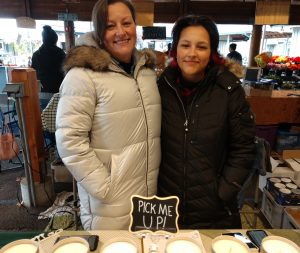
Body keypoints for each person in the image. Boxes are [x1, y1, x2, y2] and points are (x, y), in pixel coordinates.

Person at [55, 0, 161, 230]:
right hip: (108, 202)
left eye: (127, 23)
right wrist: (104, 186)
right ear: (99, 31)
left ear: (135, 25)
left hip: (147, 194)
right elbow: (69, 141)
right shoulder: (83, 76)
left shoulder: (146, 72)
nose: (121, 32)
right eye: (110, 25)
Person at [157, 15, 256, 229]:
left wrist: (224, 191)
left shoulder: (229, 90)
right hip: (166, 208)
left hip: (214, 211)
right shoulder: (160, 88)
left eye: (201, 47)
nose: (192, 53)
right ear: (175, 50)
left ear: (211, 52)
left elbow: (244, 148)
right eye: (185, 45)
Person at [31, 25, 66, 109]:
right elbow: (66, 73)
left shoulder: (36, 54)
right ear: (55, 40)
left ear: (43, 39)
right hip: (58, 92)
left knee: (44, 120)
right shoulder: (60, 53)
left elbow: (33, 73)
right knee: (58, 120)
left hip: (42, 92)